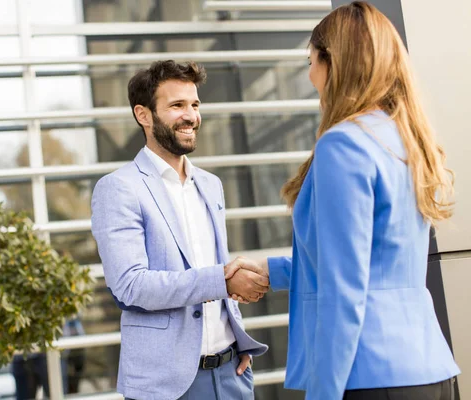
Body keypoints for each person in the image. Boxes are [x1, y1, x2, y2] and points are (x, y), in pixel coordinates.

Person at [227, 2, 460, 399]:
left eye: (312, 61)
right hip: (429, 369)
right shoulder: (403, 138)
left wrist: (323, 394)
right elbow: (376, 262)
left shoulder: (343, 144)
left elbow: (345, 287)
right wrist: (272, 270)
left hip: (369, 373)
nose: (310, 75)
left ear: (334, 63)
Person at [91, 60, 269, 400]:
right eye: (177, 106)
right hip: (168, 386)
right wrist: (221, 279)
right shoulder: (118, 189)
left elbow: (216, 265)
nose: (191, 116)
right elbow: (131, 285)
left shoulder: (210, 185)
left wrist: (237, 336)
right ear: (143, 115)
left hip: (232, 373)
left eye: (195, 105)